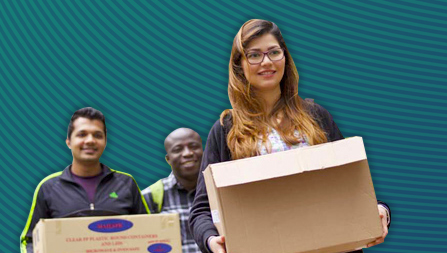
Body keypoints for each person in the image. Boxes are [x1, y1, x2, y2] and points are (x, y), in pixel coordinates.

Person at [189, 19, 391, 253]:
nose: (266, 62)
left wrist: (380, 211)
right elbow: (201, 212)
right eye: (254, 55)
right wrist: (211, 241)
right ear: (239, 66)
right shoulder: (226, 129)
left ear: (285, 57)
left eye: (274, 52)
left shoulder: (317, 116)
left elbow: (356, 188)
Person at [20, 107, 150, 253]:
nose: (90, 140)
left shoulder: (126, 183)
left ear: (105, 141)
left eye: (97, 135)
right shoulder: (48, 187)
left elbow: (148, 233)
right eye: (82, 134)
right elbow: (29, 240)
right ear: (69, 142)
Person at [142, 128, 203, 253]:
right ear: (168, 159)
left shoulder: (219, 191)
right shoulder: (150, 197)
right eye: (178, 149)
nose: (187, 153)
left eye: (194, 146)